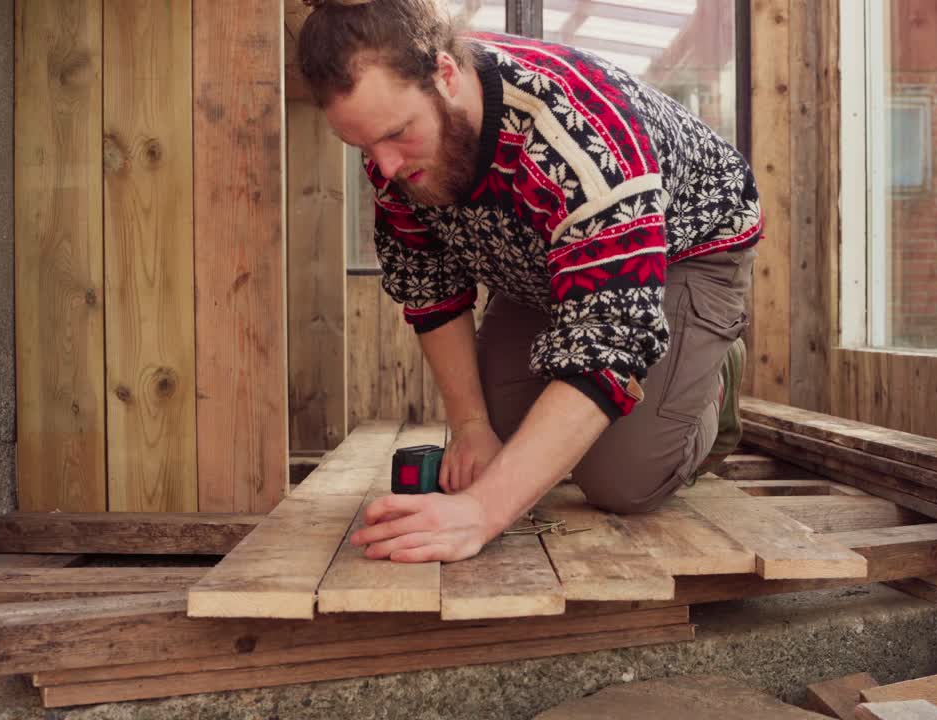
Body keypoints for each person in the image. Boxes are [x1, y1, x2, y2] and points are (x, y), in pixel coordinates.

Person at [298, 0, 762, 563]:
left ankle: (711, 380)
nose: (386, 168)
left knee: (622, 481)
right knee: (501, 443)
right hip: (546, 270)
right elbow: (429, 287)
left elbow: (609, 341)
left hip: (685, 249)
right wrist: (470, 426)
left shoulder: (580, 131)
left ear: (445, 74)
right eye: (364, 147)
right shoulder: (393, 154)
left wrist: (481, 513)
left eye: (397, 134)